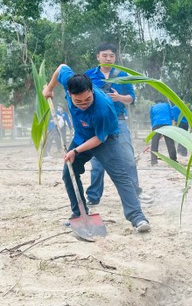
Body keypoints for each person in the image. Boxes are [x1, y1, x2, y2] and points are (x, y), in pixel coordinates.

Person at [42, 65, 151, 233]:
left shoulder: (103, 108)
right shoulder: (70, 82)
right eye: (78, 102)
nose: (83, 104)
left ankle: (137, 217)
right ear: (69, 93)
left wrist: (75, 151)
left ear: (92, 91)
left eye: (87, 100)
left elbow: (100, 139)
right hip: (81, 136)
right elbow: (62, 68)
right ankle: (80, 214)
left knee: (120, 176)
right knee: (68, 173)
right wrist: (49, 89)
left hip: (105, 140)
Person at [84, 43, 152, 205]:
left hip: (119, 121)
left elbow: (131, 98)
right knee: (97, 162)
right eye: (105, 55)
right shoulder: (88, 76)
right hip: (97, 123)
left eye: (112, 56)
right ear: (98, 57)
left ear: (115, 57)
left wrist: (119, 98)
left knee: (128, 158)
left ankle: (136, 191)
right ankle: (93, 198)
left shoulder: (122, 76)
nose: (108, 58)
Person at [150, 100, 177, 165]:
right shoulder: (167, 105)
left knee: (154, 143)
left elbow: (152, 118)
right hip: (167, 123)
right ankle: (173, 160)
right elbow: (172, 115)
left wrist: (155, 130)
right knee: (170, 143)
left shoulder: (153, 107)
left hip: (156, 124)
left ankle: (153, 161)